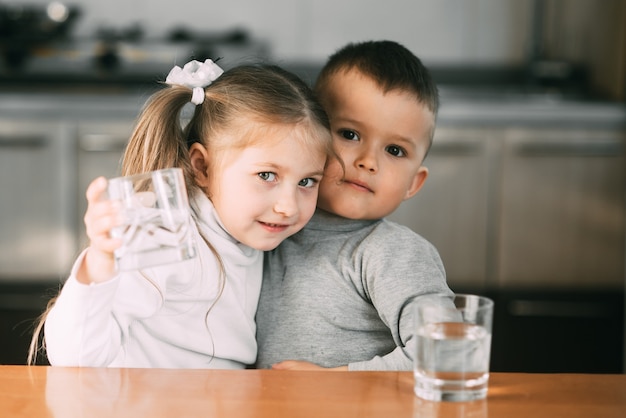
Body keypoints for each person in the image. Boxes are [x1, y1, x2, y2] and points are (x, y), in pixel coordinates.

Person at [29, 59, 334, 369]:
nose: (289, 206)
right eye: (267, 176)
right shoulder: (166, 237)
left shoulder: (253, 232)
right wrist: (99, 262)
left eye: (307, 182)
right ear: (201, 166)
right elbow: (74, 359)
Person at [254, 40, 454, 371]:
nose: (367, 161)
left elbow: (444, 351)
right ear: (309, 134)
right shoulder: (269, 228)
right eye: (349, 134)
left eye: (394, 151)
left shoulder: (392, 252)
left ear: (413, 183)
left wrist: (336, 383)